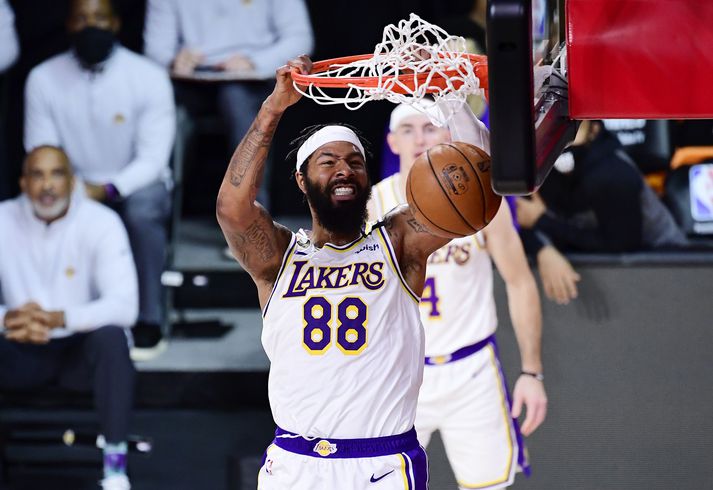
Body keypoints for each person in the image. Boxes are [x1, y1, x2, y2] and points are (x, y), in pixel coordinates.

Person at [216, 55, 496, 489]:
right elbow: (233, 210)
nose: (344, 168)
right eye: (327, 162)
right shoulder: (277, 258)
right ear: (302, 181)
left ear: (367, 180)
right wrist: (273, 109)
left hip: (379, 463)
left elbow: (481, 179)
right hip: (294, 463)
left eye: (356, 162)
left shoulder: (400, 244)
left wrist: (448, 96)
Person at [368, 103, 548, 489]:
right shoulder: (370, 209)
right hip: (396, 377)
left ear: (447, 134)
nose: (420, 139)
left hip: (471, 370)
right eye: (409, 129)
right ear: (392, 141)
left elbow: (519, 282)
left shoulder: (481, 203)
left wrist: (532, 372)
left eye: (430, 128)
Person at [24, 0, 176, 355]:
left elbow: (154, 158)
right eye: (81, 18)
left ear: (115, 23)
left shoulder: (147, 76)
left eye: (99, 18)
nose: (90, 26)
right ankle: (53, 318)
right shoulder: (43, 78)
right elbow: (41, 148)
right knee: (44, 202)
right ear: (68, 25)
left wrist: (108, 188)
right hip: (71, 183)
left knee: (141, 211)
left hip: (136, 184)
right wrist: (73, 189)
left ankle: (147, 320)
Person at [0, 146, 138, 490]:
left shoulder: (101, 222)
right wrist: (8, 319)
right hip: (18, 348)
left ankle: (115, 467)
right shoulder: (2, 219)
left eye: (56, 174)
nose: (47, 185)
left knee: (112, 338)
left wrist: (59, 318)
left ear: (73, 181)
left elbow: (125, 306)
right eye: (37, 174)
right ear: (23, 182)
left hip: (77, 352)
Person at [144, 0, 313, 210]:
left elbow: (299, 39)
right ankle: (154, 213)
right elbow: (155, 49)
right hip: (191, 80)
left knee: (237, 100)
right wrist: (172, 59)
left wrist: (255, 61)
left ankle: (252, 217)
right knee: (155, 98)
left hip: (253, 76)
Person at [516, 120, 689, 254]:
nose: (562, 140)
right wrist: (543, 251)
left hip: (664, 265)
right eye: (551, 131)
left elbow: (622, 247)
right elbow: (518, 220)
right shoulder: (539, 167)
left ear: (595, 129)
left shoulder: (611, 174)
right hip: (598, 271)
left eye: (572, 131)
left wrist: (543, 221)